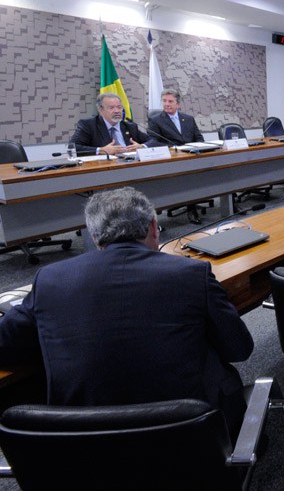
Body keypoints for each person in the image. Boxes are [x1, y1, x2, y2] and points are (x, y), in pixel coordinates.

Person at [0, 187, 254, 439]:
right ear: (153, 227)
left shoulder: (51, 280)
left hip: (85, 444)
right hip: (190, 438)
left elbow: (5, 345)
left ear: (94, 237)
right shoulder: (192, 274)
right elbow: (239, 349)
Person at [147, 88, 208, 223]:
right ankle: (192, 208)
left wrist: (195, 148)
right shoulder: (155, 120)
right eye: (164, 101)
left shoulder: (188, 119)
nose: (166, 104)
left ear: (178, 104)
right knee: (188, 177)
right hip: (171, 160)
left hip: (191, 157)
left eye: (170, 101)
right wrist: (173, 149)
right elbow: (153, 141)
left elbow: (199, 138)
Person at [71, 93, 152, 156]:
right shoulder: (89, 125)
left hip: (131, 164)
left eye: (119, 107)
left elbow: (154, 141)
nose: (117, 111)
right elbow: (73, 147)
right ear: (100, 110)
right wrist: (101, 150)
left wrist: (142, 146)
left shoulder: (130, 126)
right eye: (111, 108)